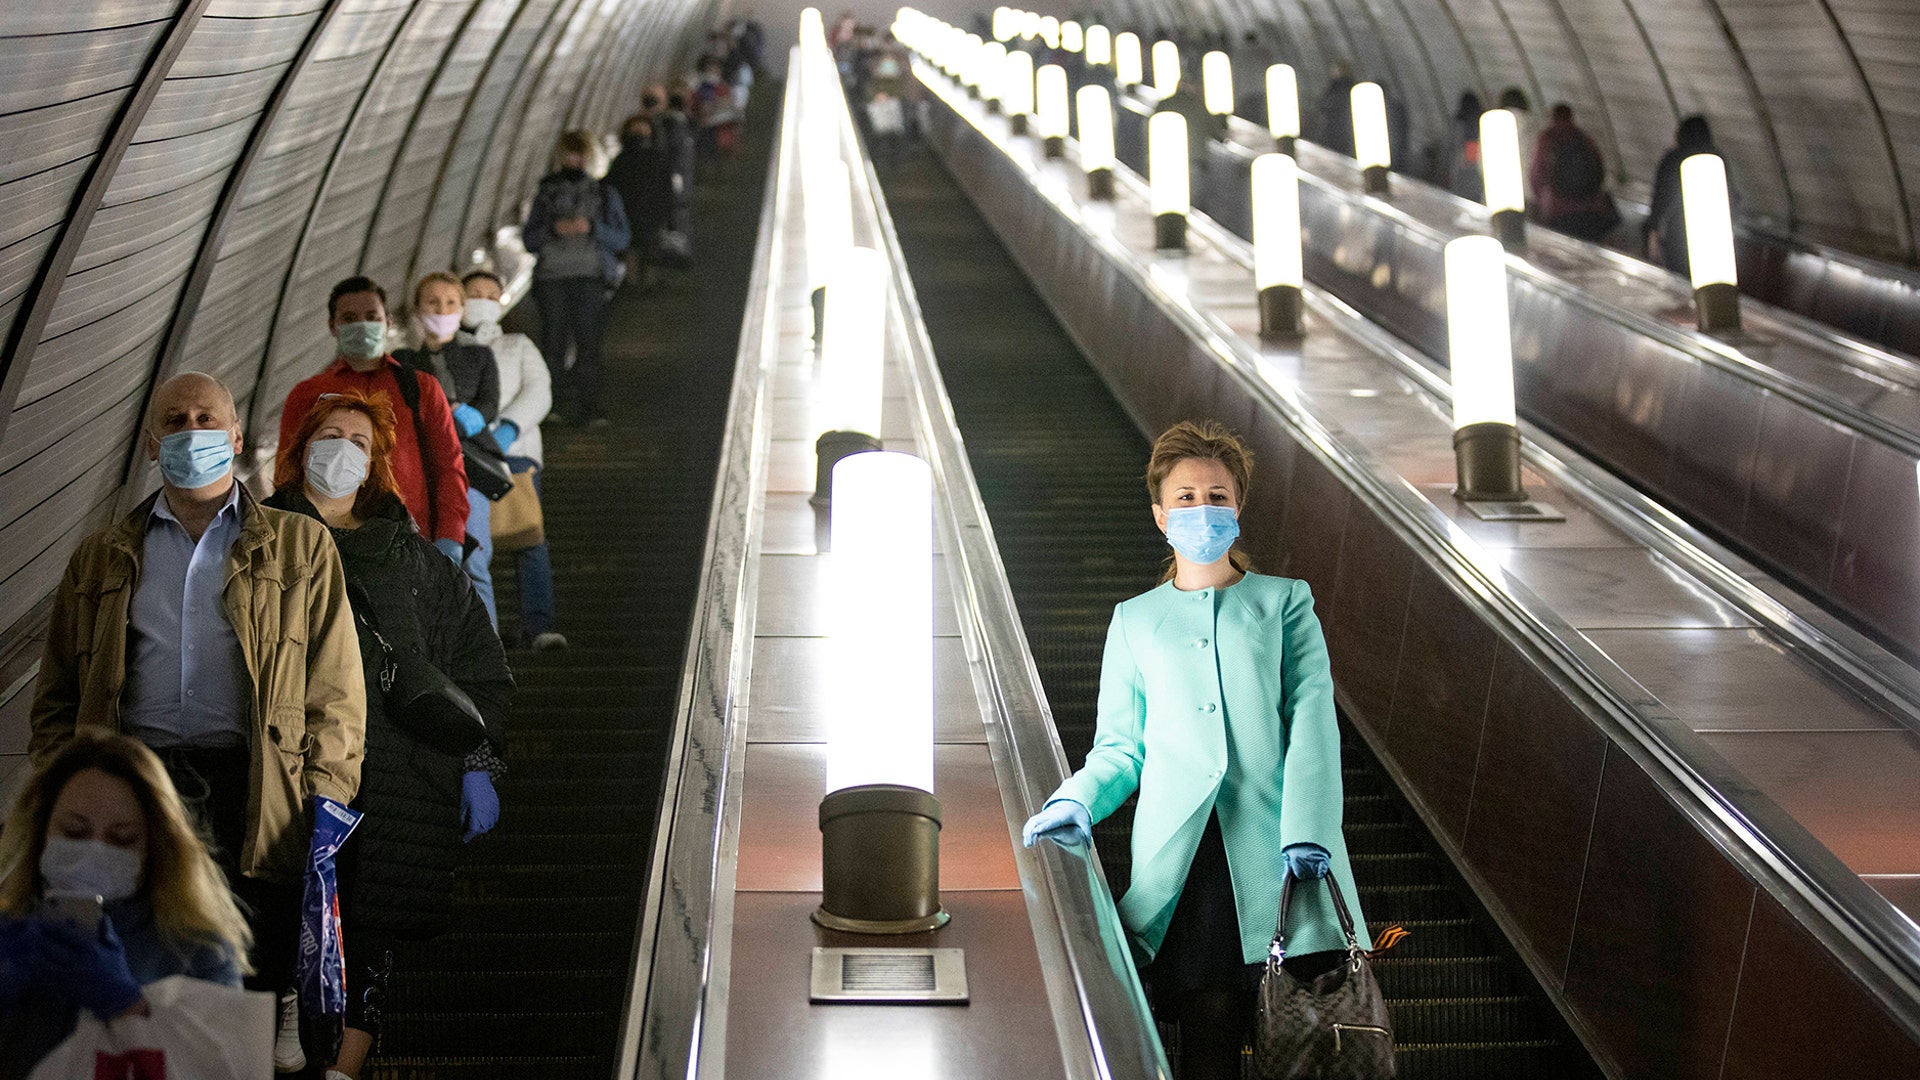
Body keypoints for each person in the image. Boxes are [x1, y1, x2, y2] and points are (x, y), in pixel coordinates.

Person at [31, 370, 365, 1073]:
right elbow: (59, 688)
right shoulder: (102, 554)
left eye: (205, 419)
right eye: (175, 421)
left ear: (237, 438)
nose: (191, 432)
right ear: (152, 443)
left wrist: (327, 791)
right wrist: (59, 781)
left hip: (252, 778)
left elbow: (334, 688)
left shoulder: (299, 548)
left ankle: (253, 1040)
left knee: (245, 950)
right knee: (138, 952)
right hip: (137, 781)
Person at [1021, 420, 1370, 1080]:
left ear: (1237, 509)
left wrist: (1311, 831)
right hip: (1187, 868)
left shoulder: (1286, 603)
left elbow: (1312, 722)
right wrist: (1077, 801)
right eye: (1185, 497)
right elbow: (1122, 749)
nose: (1202, 509)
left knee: (1304, 1046)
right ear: (1160, 513)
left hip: (1286, 858)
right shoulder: (1135, 620)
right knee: (1207, 1040)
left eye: (1217, 495)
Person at [266, 390, 512, 1080]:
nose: (341, 450)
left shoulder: (418, 563)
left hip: (398, 770)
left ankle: (345, 1068)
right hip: (290, 766)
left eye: (358, 440)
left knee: (370, 924)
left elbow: (479, 666)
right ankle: (286, 1016)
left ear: (376, 461)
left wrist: (478, 761)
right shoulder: (257, 539)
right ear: (301, 445)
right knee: (285, 904)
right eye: (329, 434)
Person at [0, 731, 253, 1077]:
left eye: (122, 839)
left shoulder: (202, 953)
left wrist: (128, 1006)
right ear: (41, 833)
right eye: (74, 833)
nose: (94, 851)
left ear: (155, 847)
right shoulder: (13, 936)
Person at [280, 276, 470, 562]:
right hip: (329, 543)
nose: (362, 324)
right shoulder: (307, 395)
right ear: (333, 326)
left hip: (412, 539)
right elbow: (287, 470)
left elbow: (449, 465)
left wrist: (450, 535)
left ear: (388, 321)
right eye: (349, 317)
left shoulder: (420, 388)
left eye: (372, 316)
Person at [462, 270, 567, 650]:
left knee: (529, 535)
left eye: (491, 294)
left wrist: (506, 429)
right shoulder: (445, 348)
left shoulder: (517, 344)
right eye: (474, 292)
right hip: (464, 457)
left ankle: (538, 625)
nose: (483, 299)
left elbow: (539, 390)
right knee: (469, 544)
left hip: (515, 453)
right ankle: (476, 630)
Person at [396, 271, 503, 627]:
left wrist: (468, 418)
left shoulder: (480, 356)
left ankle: (488, 653)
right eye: (433, 302)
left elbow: (489, 405)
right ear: (417, 309)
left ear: (462, 309)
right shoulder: (403, 361)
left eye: (450, 303)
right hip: (422, 471)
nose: (442, 310)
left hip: (470, 466)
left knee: (474, 559)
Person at [523, 131, 631, 427]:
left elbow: (622, 238)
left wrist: (592, 228)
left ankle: (590, 406)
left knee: (589, 342)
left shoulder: (604, 193)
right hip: (552, 278)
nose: (573, 161)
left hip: (589, 276)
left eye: (578, 154)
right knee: (553, 343)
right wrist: (554, 230)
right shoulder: (545, 195)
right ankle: (551, 406)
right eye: (568, 155)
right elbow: (529, 239)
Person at [1646, 114, 1723, 277]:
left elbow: (1660, 198)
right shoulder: (1717, 159)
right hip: (1713, 235)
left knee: (1679, 278)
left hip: (1678, 232)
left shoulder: (1673, 159)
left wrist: (1653, 231)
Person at [1530, 103, 1620, 242]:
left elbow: (1537, 175)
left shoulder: (1547, 139)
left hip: (1559, 210)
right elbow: (1600, 171)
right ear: (1571, 117)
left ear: (1552, 118)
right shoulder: (1584, 138)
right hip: (1591, 209)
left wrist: (1542, 201)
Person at [1305, 61, 1357, 157]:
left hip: (1336, 130)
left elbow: (1325, 105)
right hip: (1339, 131)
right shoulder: (1345, 88)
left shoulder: (1338, 88)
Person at [1498, 86, 1541, 190]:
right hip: (1529, 191)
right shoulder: (1536, 127)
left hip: (1500, 190)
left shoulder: (1494, 126)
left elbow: (1480, 164)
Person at [1448, 91, 1485, 202]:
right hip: (1478, 179)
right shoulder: (1482, 122)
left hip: (1459, 175)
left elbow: (1449, 150)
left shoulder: (1457, 123)